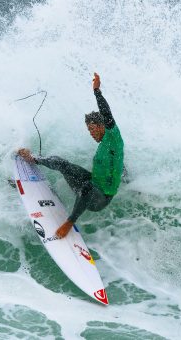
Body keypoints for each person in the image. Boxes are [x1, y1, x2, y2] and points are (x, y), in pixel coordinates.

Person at [18, 72, 124, 238]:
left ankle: (69, 222)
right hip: (92, 182)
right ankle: (34, 159)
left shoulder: (113, 137)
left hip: (100, 198)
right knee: (62, 164)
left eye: (92, 129)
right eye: (89, 130)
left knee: (87, 188)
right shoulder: (105, 146)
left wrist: (97, 91)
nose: (91, 133)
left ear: (102, 126)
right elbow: (118, 164)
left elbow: (107, 114)